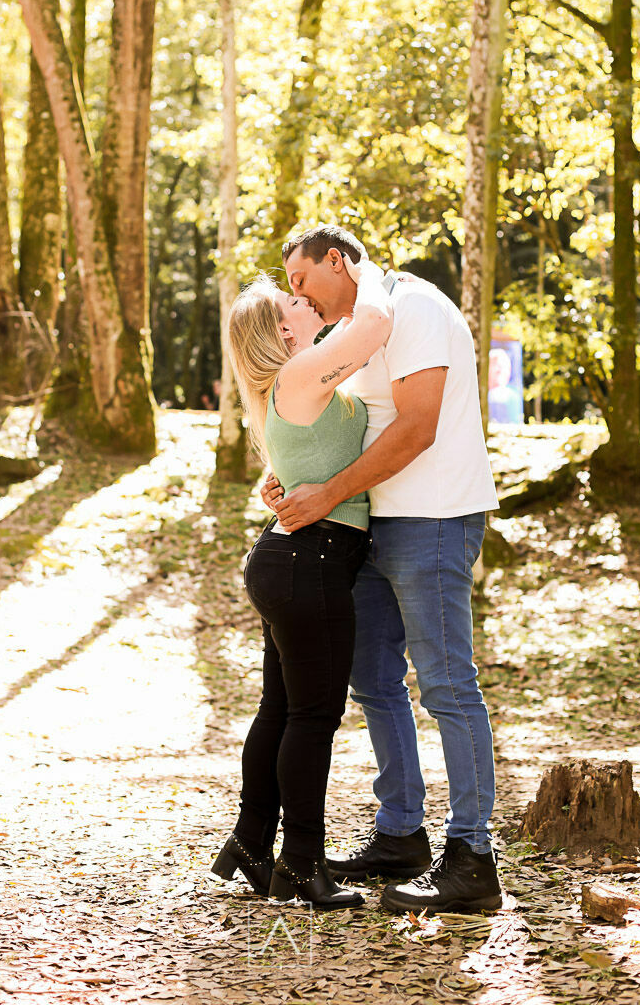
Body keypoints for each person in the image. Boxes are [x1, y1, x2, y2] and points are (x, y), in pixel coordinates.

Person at [263, 225, 502, 915]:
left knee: (448, 685)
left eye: (303, 281)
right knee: (372, 680)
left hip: (431, 519)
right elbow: (345, 425)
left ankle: (473, 857)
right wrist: (285, 480)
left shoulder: (415, 307)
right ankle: (401, 836)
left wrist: (329, 494)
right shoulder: (360, 331)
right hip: (373, 525)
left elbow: (418, 424)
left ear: (337, 261)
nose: (297, 296)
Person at [211, 255, 393, 909]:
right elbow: (372, 323)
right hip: (308, 563)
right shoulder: (301, 370)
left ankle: (253, 843)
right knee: (314, 716)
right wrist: (363, 266)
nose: (301, 298)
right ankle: (302, 865)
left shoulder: (289, 383)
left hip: (290, 561)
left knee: (283, 710)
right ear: (282, 332)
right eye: (288, 299)